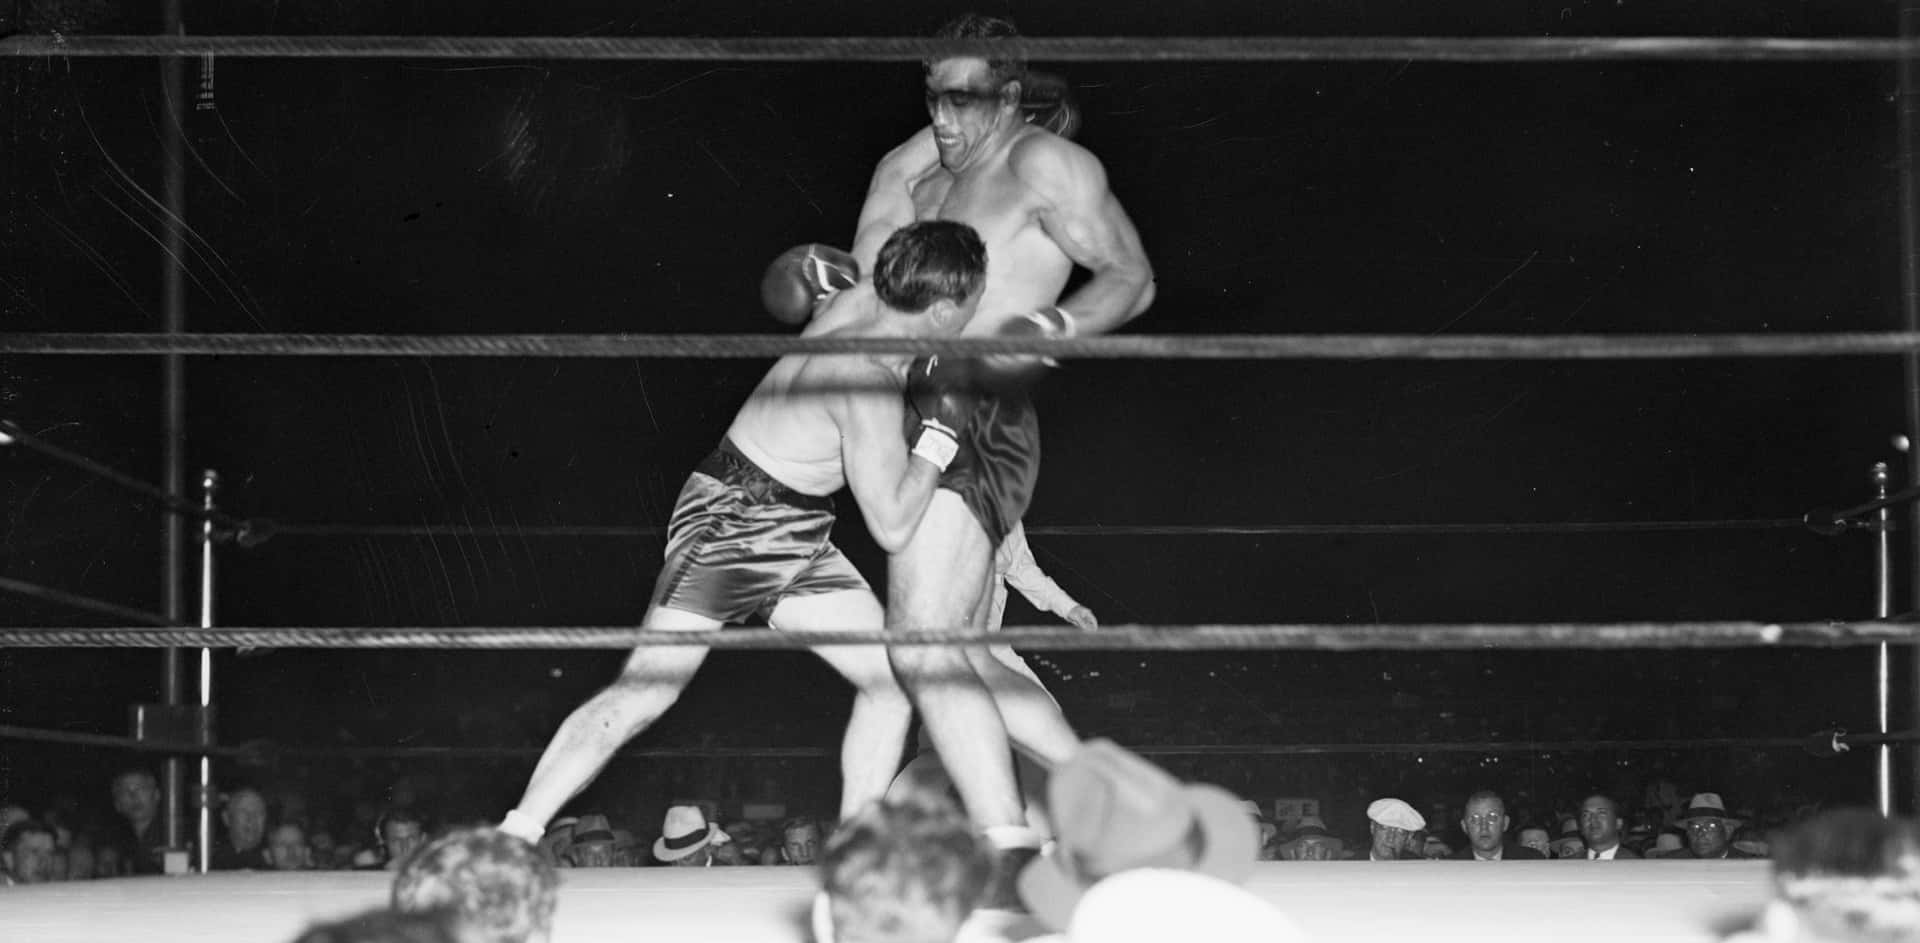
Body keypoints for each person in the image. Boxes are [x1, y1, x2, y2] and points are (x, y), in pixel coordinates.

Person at [498, 220, 990, 844]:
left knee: (889, 682)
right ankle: (515, 834)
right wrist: (941, 438)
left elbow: (783, 292)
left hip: (797, 523)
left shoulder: (858, 295)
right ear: (944, 313)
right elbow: (893, 524)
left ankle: (854, 852)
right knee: (647, 689)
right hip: (735, 516)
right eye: (971, 308)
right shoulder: (866, 384)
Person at [847, 11, 1155, 880]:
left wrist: (1053, 324)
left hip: (975, 407)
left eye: (964, 102)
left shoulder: (1040, 167)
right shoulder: (922, 176)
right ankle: (1095, 807)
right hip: (903, 413)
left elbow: (1131, 276)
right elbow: (877, 268)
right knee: (943, 646)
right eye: (932, 99)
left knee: (922, 640)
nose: (942, 121)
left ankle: (1008, 841)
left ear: (1010, 98)